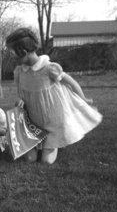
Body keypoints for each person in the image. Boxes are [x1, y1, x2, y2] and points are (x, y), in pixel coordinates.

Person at [6, 27, 102, 164]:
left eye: (12, 52)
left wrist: (83, 98)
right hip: (33, 121)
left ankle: (53, 143)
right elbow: (21, 92)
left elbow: (71, 83)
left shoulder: (49, 68)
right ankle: (37, 142)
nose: (11, 55)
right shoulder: (19, 72)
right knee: (30, 159)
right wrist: (20, 100)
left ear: (23, 51)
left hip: (54, 120)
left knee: (46, 161)